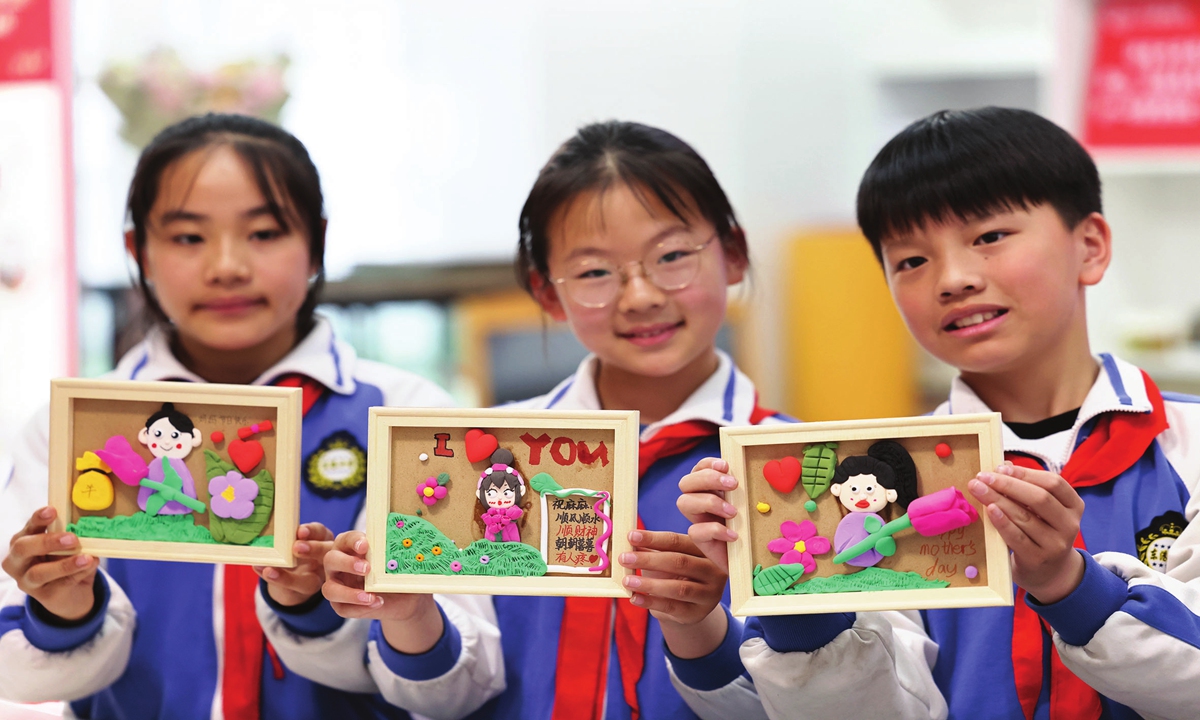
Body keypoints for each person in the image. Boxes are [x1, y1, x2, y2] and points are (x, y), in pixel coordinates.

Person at [677, 107, 1200, 720]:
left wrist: (1069, 585)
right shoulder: (882, 480)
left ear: (1090, 246)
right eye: (911, 261)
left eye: (989, 237)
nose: (952, 279)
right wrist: (804, 603)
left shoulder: (1188, 444)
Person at [0, 113, 492, 720]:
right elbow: (16, 666)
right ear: (138, 251)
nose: (227, 266)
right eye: (188, 237)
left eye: (263, 233)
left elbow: (459, 682)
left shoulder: (409, 416)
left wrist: (316, 606)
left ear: (316, 242)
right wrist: (62, 607)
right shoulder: (71, 426)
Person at [296, 120, 787, 719]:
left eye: (673, 256)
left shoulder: (790, 464)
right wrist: (410, 613)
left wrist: (699, 628)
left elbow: (821, 700)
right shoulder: (481, 452)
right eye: (595, 272)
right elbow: (447, 695)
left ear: (732, 253)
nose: (640, 296)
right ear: (548, 292)